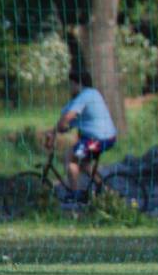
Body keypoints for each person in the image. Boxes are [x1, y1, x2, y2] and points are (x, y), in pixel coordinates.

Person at [45, 69, 117, 202]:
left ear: (78, 83)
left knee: (70, 158)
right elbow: (68, 124)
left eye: (71, 84)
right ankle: (105, 190)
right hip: (106, 138)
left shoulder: (85, 95)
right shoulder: (92, 94)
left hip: (98, 139)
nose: (70, 88)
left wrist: (55, 131)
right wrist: (55, 131)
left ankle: (75, 193)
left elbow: (67, 117)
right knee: (83, 162)